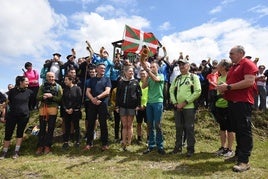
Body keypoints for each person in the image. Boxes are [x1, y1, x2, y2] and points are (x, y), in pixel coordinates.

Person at [217, 45, 258, 172]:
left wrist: (228, 87)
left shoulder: (248, 63)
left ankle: (244, 161)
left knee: (244, 131)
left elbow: (249, 81)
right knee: (238, 130)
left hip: (242, 102)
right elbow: (232, 84)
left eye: (232, 53)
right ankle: (238, 156)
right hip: (233, 103)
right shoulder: (235, 67)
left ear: (241, 53)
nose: (229, 56)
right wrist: (224, 89)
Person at [169, 58, 201, 157]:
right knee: (178, 127)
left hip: (189, 107)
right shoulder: (177, 78)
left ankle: (190, 149)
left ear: (188, 66)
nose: (181, 66)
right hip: (177, 107)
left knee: (189, 127)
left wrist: (185, 102)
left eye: (183, 64)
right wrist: (175, 103)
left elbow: (198, 91)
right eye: (180, 65)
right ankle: (178, 147)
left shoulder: (194, 77)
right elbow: (171, 90)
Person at [0, 76, 32, 159]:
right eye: (26, 81)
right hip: (12, 116)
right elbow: (7, 103)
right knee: (8, 133)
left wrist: (28, 112)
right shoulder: (12, 91)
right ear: (21, 82)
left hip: (24, 116)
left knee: (20, 133)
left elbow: (32, 104)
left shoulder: (30, 92)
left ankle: (16, 152)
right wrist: (4, 115)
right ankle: (4, 152)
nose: (28, 83)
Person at [84, 63, 111, 151]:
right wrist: (92, 99)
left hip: (102, 104)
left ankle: (105, 144)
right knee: (91, 123)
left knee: (103, 123)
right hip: (92, 103)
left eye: (104, 68)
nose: (103, 70)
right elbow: (87, 92)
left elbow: (107, 91)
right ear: (97, 69)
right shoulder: (91, 80)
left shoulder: (107, 79)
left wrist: (98, 98)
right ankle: (89, 143)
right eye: (101, 68)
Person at [141, 61, 166, 155]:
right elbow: (143, 86)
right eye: (150, 67)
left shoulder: (161, 75)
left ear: (157, 68)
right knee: (150, 124)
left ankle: (160, 146)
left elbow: (156, 79)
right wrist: (147, 75)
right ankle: (151, 145)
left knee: (158, 125)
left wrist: (148, 71)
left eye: (153, 67)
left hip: (158, 102)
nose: (151, 68)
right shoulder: (149, 77)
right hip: (150, 103)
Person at [36, 72, 63, 155]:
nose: (51, 78)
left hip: (53, 108)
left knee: (51, 128)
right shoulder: (42, 86)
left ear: (55, 77)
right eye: (49, 77)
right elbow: (38, 97)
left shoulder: (58, 87)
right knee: (42, 128)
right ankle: (40, 146)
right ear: (46, 77)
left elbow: (60, 99)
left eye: (52, 77)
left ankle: (48, 146)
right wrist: (43, 96)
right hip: (43, 108)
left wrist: (52, 97)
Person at [116, 65, 141, 151]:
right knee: (124, 125)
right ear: (125, 72)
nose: (131, 72)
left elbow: (139, 95)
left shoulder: (136, 82)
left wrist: (138, 105)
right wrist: (117, 106)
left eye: (132, 71)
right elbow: (118, 95)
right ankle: (123, 141)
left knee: (129, 125)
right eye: (129, 71)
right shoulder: (121, 82)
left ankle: (129, 142)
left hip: (132, 107)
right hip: (122, 106)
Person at [214, 59, 235, 157]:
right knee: (222, 128)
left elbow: (230, 90)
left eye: (219, 64)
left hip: (228, 106)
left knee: (230, 128)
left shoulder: (229, 76)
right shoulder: (219, 77)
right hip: (219, 105)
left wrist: (222, 94)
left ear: (223, 66)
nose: (217, 66)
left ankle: (230, 149)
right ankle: (223, 147)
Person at [62, 76, 82, 149]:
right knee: (67, 126)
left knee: (76, 126)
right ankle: (66, 142)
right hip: (66, 111)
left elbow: (79, 100)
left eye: (66, 80)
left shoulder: (77, 89)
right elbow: (63, 100)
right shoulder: (64, 89)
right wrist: (66, 109)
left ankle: (77, 141)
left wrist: (72, 108)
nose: (65, 81)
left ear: (71, 80)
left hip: (75, 111)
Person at [136, 69, 149, 144]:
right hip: (138, 106)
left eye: (144, 74)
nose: (142, 75)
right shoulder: (137, 83)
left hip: (146, 106)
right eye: (141, 74)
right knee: (139, 123)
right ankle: (139, 138)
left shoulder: (149, 83)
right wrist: (138, 105)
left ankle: (148, 138)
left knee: (148, 123)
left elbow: (150, 95)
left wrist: (145, 105)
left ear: (146, 75)